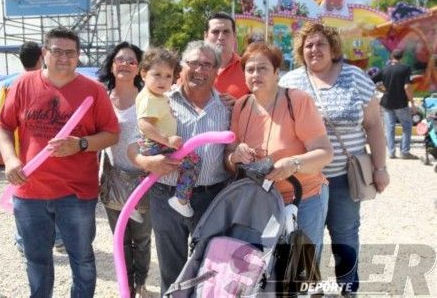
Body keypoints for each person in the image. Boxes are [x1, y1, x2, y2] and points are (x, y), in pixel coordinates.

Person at [0, 27, 119, 297]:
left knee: (82, 259)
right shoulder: (23, 84)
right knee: (36, 260)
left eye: (70, 52)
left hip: (76, 193)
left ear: (78, 56)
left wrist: (81, 144)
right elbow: (3, 126)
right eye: (57, 51)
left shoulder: (93, 91)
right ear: (44, 53)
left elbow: (111, 134)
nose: (64, 57)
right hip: (30, 191)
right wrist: (10, 159)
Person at [279, 22, 390, 294]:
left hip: (343, 178)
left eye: (320, 44)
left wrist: (380, 167)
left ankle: (348, 288)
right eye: (308, 45)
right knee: (304, 240)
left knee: (345, 236)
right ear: (300, 50)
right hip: (303, 181)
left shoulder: (356, 78)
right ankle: (309, 289)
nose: (314, 49)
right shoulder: (289, 81)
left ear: (333, 48)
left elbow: (374, 124)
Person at [128, 41, 231, 294]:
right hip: (165, 195)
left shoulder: (229, 107)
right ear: (181, 68)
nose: (199, 69)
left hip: (212, 196)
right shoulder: (160, 99)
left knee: (207, 266)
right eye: (193, 63)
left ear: (216, 70)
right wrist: (146, 162)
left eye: (207, 64)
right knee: (171, 268)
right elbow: (132, 143)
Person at [225, 42, 333, 254]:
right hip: (260, 201)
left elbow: (324, 153)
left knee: (300, 269)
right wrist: (234, 156)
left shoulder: (297, 101)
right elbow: (229, 160)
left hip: (304, 198)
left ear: (277, 72)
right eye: (250, 69)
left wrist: (293, 163)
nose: (256, 74)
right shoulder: (242, 106)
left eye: (263, 68)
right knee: (266, 269)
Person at [98, 41, 152, 298]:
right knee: (120, 238)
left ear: (140, 68)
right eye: (120, 59)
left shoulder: (148, 99)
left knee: (141, 239)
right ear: (111, 65)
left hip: (143, 180)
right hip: (113, 180)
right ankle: (126, 286)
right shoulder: (101, 98)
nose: (125, 65)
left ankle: (140, 283)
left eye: (132, 61)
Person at [4, 41, 65, 255]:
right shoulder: (45, 85)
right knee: (51, 197)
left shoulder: (11, 84)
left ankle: (23, 241)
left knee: (22, 199)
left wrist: (9, 157)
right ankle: (57, 238)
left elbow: (3, 123)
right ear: (42, 56)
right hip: (41, 155)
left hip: (22, 155)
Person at [136, 48, 200, 218]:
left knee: (148, 174)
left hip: (155, 143)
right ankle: (181, 198)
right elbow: (144, 124)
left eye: (168, 76)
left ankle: (136, 203)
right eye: (157, 74)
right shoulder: (149, 98)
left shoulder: (159, 96)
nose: (162, 80)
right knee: (193, 161)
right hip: (156, 144)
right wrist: (167, 140)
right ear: (143, 74)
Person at [373, 49, 419, 159]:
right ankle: (404, 152)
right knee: (407, 126)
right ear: (402, 57)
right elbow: (407, 87)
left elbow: (371, 81)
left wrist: (381, 89)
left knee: (389, 127)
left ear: (391, 57)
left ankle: (391, 152)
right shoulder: (406, 69)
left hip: (387, 102)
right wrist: (412, 103)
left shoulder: (384, 69)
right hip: (401, 103)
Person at [204, 12, 249, 100]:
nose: (221, 37)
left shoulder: (248, 68)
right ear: (205, 36)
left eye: (226, 32)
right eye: (215, 32)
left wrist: (239, 106)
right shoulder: (191, 67)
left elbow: (262, 105)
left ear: (234, 36)